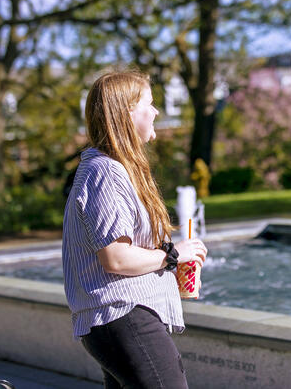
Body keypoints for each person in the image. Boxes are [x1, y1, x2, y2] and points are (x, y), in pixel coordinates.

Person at [62, 70, 208, 389]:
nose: (156, 112)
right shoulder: (105, 171)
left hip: (119, 318)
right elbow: (115, 259)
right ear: (129, 111)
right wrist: (172, 255)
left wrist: (172, 261)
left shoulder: (108, 167)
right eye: (149, 103)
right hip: (124, 316)